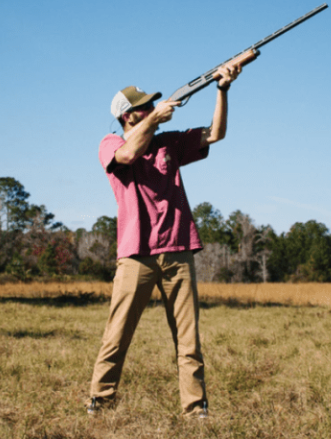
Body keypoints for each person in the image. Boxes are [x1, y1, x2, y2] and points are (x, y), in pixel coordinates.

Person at [87, 63, 241, 418]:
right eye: (144, 106)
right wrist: (154, 120)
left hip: (178, 251)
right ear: (128, 116)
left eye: (152, 104)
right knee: (117, 334)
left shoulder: (168, 142)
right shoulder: (110, 143)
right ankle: (100, 400)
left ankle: (195, 408)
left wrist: (222, 89)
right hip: (135, 255)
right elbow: (126, 156)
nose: (152, 107)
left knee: (188, 340)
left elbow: (216, 134)